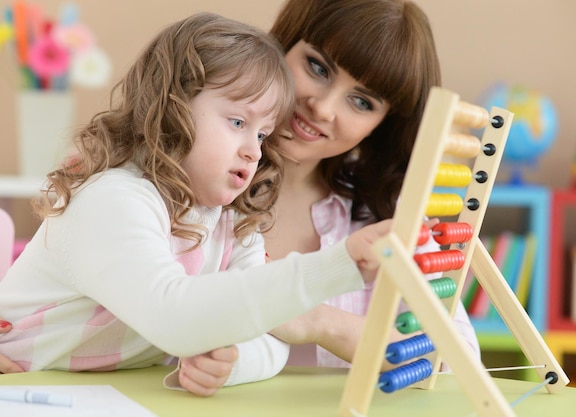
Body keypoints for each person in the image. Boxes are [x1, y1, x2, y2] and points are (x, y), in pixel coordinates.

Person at [0, 12, 391, 397]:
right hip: (20, 386)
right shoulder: (112, 199)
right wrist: (336, 266)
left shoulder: (234, 223)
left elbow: (272, 334)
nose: (253, 151)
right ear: (173, 108)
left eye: (263, 134)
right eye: (238, 123)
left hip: (100, 397)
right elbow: (171, 315)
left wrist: (232, 360)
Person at [260, 0, 480, 368]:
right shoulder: (191, 191)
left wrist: (321, 323)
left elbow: (456, 357)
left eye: (361, 102)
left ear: (384, 125)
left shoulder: (382, 219)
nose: (324, 108)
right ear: (283, 46)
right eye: (317, 67)